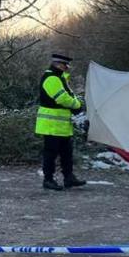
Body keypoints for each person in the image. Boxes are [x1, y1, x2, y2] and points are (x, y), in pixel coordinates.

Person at [35, 53, 86, 190]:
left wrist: (75, 103)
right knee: (50, 154)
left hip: (61, 125)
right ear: (57, 64)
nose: (67, 68)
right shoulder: (52, 78)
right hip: (52, 125)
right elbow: (62, 98)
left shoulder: (59, 78)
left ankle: (69, 178)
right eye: (65, 65)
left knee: (66, 153)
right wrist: (77, 105)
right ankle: (48, 180)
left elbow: (68, 96)